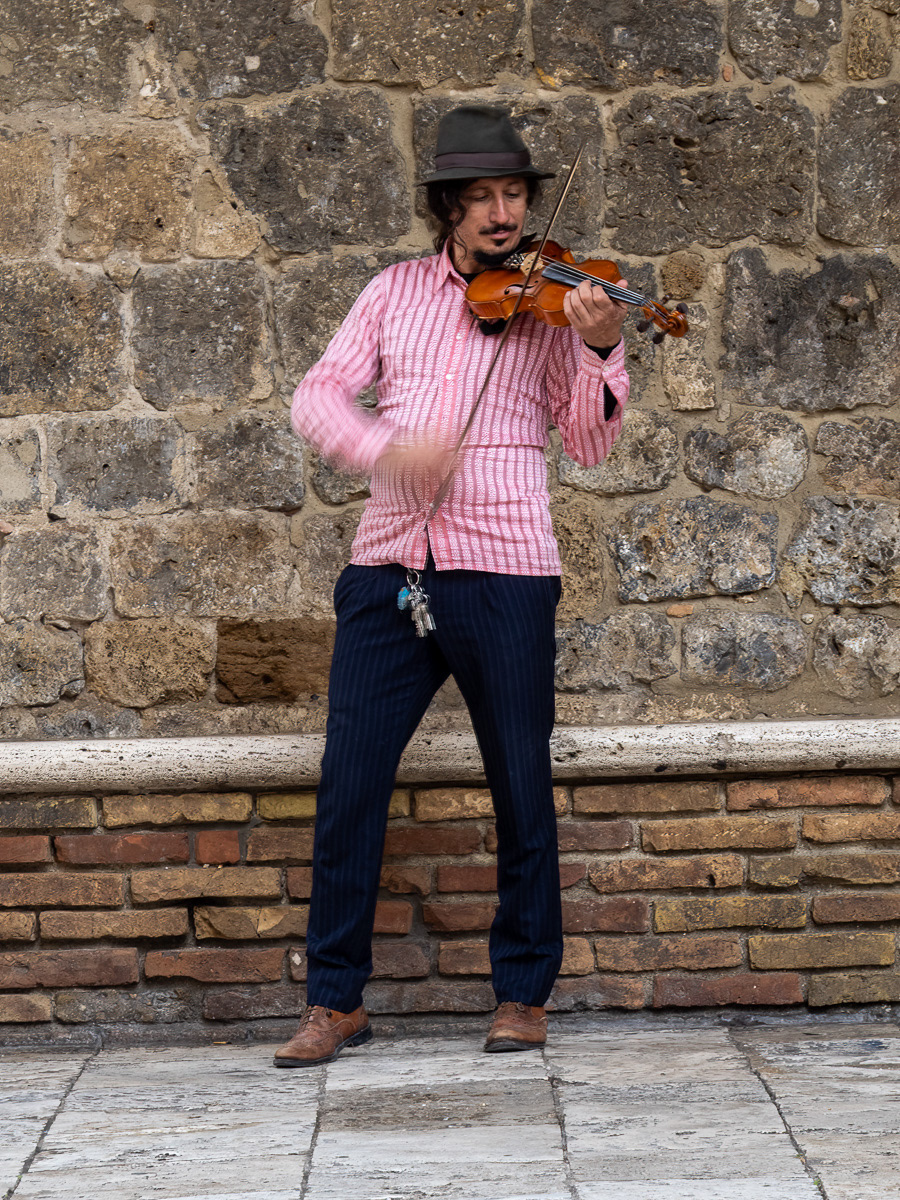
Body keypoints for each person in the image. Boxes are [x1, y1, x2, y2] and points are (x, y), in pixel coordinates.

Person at [274, 105, 629, 1068]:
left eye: (514, 195)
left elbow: (590, 444)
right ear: (449, 208)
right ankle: (334, 1001)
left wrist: (600, 350)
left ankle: (522, 994)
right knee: (349, 784)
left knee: (520, 781)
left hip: (507, 566)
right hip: (389, 566)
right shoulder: (392, 293)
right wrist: (389, 449)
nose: (504, 214)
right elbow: (316, 396)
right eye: (483, 198)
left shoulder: (560, 304)